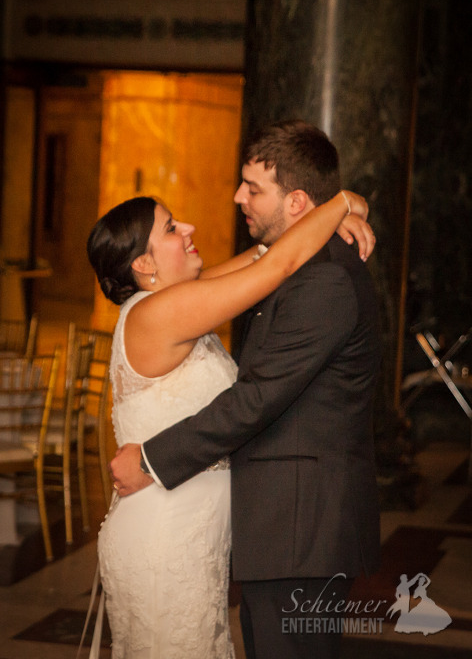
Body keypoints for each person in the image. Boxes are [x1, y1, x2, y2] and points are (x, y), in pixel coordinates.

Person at [87, 160, 374, 658]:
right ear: (144, 265)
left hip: (191, 539)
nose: (190, 228)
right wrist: (342, 203)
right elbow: (274, 268)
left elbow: (264, 254)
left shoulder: (176, 300)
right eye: (172, 228)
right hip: (165, 539)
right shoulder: (160, 312)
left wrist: (314, 220)